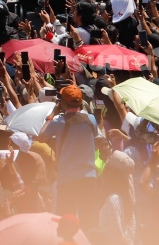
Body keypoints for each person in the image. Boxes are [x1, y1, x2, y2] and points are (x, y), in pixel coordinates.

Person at [39, 85, 98, 230]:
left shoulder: (58, 121)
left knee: (66, 219)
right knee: (88, 220)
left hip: (67, 178)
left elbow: (41, 136)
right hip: (89, 177)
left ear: (62, 103)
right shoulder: (91, 119)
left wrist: (52, 114)